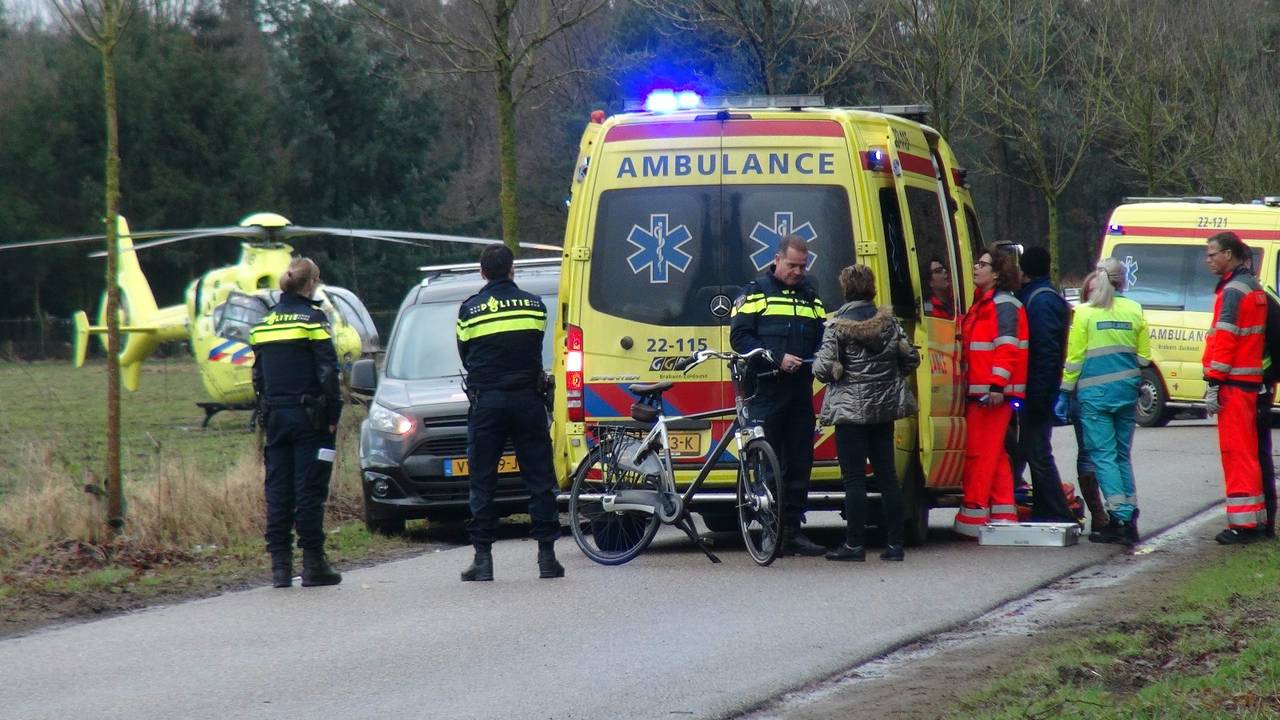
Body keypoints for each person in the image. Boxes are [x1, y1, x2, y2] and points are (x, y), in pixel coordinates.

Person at [456, 243, 563, 581]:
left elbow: (465, 354)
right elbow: (534, 344)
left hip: (487, 404)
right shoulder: (535, 305)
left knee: (482, 481)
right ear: (512, 270)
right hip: (527, 400)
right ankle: (547, 557)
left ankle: (483, 560)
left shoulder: (469, 311)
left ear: (483, 272)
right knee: (540, 479)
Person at [813, 265, 920, 561]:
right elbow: (911, 358)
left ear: (845, 289)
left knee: (854, 480)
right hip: (883, 411)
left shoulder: (837, 327)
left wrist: (835, 370)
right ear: (871, 288)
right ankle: (895, 545)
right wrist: (889, 376)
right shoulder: (890, 324)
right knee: (888, 477)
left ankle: (854, 545)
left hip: (850, 413)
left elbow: (823, 369)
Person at [250, 257, 343, 588]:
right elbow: (328, 372)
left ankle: (280, 567)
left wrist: (266, 411)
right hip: (310, 419)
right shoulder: (314, 320)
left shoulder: (264, 323)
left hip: (276, 417)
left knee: (278, 490)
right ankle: (314, 564)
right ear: (312, 282)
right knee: (309, 489)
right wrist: (333, 415)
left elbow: (258, 377)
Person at [731, 234, 826, 556]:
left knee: (800, 463)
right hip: (766, 390)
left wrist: (823, 357)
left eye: (802, 266)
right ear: (776, 259)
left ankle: (792, 531)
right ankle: (770, 533)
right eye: (791, 265)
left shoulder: (810, 297)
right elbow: (740, 338)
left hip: (800, 390)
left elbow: (823, 336)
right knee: (769, 465)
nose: (797, 272)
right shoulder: (755, 293)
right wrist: (775, 357)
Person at [1061, 257, 1150, 546]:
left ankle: (1119, 518)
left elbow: (1075, 358)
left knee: (1103, 456)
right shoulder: (1134, 309)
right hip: (1126, 394)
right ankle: (1130, 514)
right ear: (1123, 281)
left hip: (1094, 396)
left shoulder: (1084, 313)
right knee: (1122, 455)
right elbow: (1143, 358)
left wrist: (1066, 389)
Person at [954, 247, 1028, 537]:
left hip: (991, 394)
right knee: (994, 455)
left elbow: (1007, 348)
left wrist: (998, 385)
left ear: (996, 273)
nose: (975, 267)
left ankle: (973, 516)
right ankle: (1004, 513)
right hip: (986, 392)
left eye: (982, 264)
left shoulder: (1002, 305)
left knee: (979, 455)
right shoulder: (982, 304)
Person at [1202, 231, 1269, 544]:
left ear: (1228, 254)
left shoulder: (1232, 291)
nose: (1208, 260)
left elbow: (1225, 338)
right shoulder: (1251, 286)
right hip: (1247, 382)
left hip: (1233, 384)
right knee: (1247, 453)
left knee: (1236, 453)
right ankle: (1254, 518)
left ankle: (1243, 525)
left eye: (1212, 253)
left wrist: (1214, 381)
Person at [1010, 247, 1075, 523]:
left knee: (1038, 452)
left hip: (1037, 391)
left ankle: (1057, 513)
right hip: (1037, 390)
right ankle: (1045, 510)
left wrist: (1037, 397)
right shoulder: (1041, 296)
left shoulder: (1040, 301)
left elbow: (1045, 353)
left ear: (1024, 271)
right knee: (1030, 450)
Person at [1057, 272, 1108, 536]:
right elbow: (1072, 358)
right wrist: (1066, 391)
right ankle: (1100, 515)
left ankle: (1112, 514)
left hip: (1102, 395)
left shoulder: (1088, 318)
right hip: (1086, 395)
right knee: (1091, 454)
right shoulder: (1082, 318)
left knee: (1103, 456)